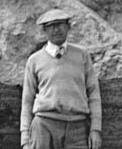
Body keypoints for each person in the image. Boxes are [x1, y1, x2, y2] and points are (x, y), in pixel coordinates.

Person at [21, 9, 102, 149]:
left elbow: (94, 94)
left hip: (77, 127)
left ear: (68, 26)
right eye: (51, 26)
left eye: (60, 24)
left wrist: (95, 129)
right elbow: (27, 100)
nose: (56, 29)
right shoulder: (34, 60)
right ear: (44, 30)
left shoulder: (82, 55)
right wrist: (25, 137)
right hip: (44, 126)